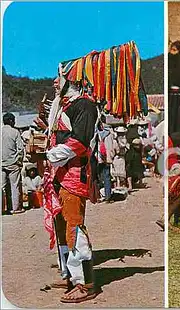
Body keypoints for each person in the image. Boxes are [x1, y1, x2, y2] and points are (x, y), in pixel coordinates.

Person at [45, 73, 99, 302]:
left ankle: (85, 283)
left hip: (75, 176)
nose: (55, 83)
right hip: (59, 176)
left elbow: (79, 142)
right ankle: (69, 272)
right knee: (62, 226)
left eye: (59, 79)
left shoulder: (85, 106)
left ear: (72, 81)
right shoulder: (64, 106)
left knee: (74, 226)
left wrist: (50, 155)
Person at [2, 112, 25, 214]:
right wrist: (19, 161)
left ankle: (2, 209)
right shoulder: (15, 132)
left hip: (1, 163)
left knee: (1, 186)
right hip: (13, 163)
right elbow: (20, 149)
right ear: (11, 121)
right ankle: (16, 208)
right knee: (14, 186)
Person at [97, 118, 115, 202]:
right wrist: (111, 156)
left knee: (98, 177)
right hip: (107, 158)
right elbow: (111, 147)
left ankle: (99, 196)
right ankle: (108, 196)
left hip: (99, 157)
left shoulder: (97, 133)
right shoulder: (110, 134)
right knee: (107, 177)